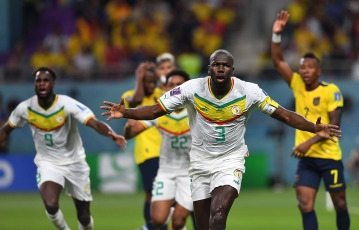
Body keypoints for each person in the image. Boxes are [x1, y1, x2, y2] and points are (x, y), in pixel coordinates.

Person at [101, 49, 342, 230]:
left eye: (225, 65)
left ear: (232, 70)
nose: (220, 69)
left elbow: (283, 114)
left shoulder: (250, 91)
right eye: (216, 64)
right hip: (199, 162)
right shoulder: (191, 88)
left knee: (219, 211)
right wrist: (126, 112)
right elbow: (155, 110)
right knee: (204, 224)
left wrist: (314, 127)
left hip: (231, 159)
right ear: (209, 68)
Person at [0, 67, 127, 230]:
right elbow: (5, 130)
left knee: (84, 217)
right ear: (34, 85)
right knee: (51, 205)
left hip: (75, 163)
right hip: (48, 163)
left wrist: (111, 134)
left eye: (46, 80)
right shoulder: (25, 108)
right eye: (38, 81)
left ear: (53, 84)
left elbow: (93, 122)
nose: (42, 84)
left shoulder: (67, 104)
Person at [271, 10, 350, 230]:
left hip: (328, 156)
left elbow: (335, 127)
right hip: (307, 160)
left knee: (340, 203)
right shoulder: (296, 84)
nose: (304, 71)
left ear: (319, 71)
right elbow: (278, 61)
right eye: (302, 67)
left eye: (310, 67)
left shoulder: (331, 91)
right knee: (305, 205)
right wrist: (276, 35)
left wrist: (308, 142)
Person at [124, 69, 195, 230]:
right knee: (157, 221)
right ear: (165, 88)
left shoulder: (197, 112)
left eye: (180, 85)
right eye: (172, 85)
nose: (176, 88)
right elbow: (131, 133)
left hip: (190, 174)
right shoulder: (158, 112)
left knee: (177, 221)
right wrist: (128, 128)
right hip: (166, 172)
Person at [121, 62, 164, 230]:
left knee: (163, 194)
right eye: (148, 82)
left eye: (154, 82)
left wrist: (160, 74)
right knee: (151, 194)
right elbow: (137, 100)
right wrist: (139, 76)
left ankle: (151, 227)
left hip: (166, 150)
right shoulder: (130, 95)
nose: (152, 85)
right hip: (147, 151)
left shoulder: (160, 93)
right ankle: (151, 227)